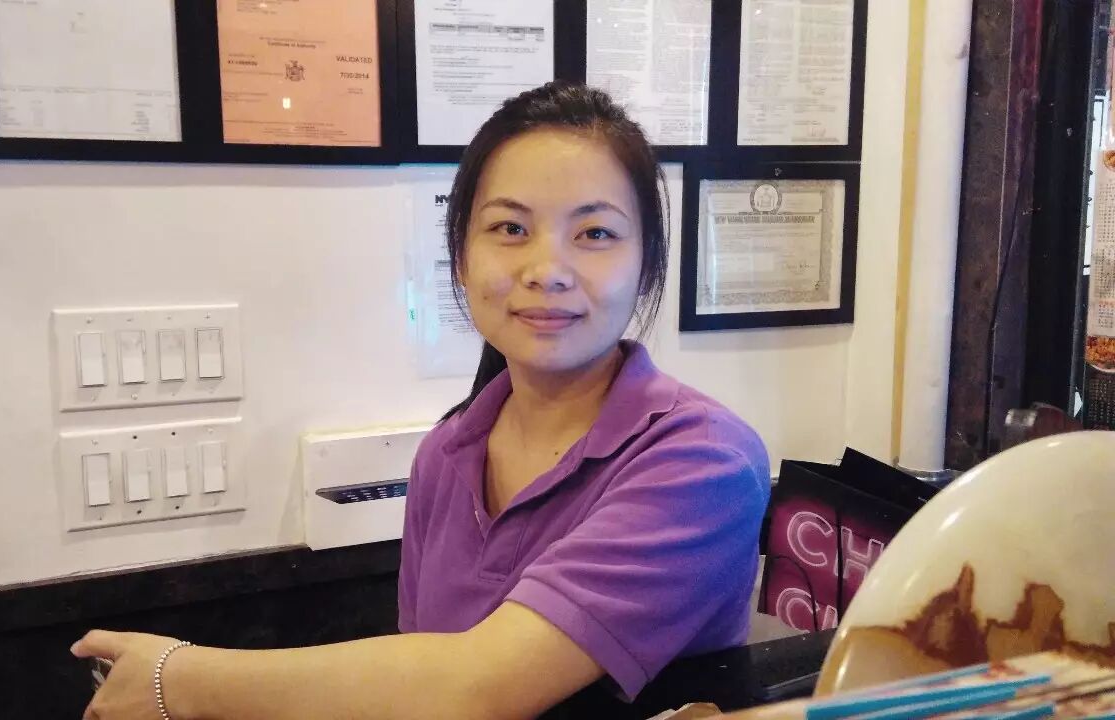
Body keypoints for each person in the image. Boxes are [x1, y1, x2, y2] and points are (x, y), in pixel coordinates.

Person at [71, 81, 770, 720]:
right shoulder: (449, 449)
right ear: (461, 259)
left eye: (595, 234)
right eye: (510, 228)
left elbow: (476, 686)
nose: (546, 270)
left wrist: (177, 680)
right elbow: (414, 683)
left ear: (646, 263)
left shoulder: (702, 461)